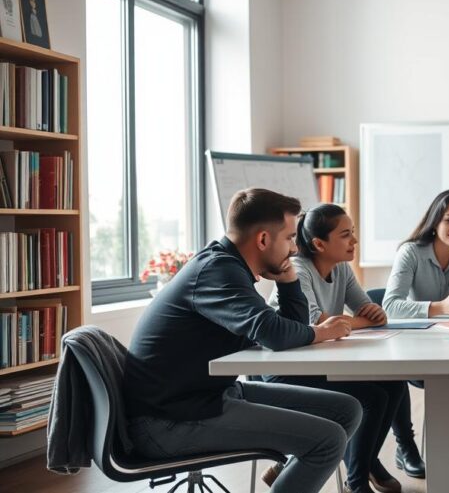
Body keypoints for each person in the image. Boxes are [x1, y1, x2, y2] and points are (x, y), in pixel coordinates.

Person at [123, 188, 362, 493]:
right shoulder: (217, 271)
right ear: (263, 239)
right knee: (328, 441)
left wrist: (289, 283)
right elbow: (273, 332)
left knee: (347, 410)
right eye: (289, 238)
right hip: (167, 421)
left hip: (207, 397)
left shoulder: (230, 267)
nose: (294, 249)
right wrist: (322, 332)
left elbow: (290, 328)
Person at [265, 203, 405, 493]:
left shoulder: (341, 267)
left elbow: (365, 309)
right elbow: (316, 323)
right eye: (346, 235)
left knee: (393, 383)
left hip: (319, 362)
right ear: (319, 243)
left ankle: (365, 462)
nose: (354, 241)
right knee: (372, 398)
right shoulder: (299, 269)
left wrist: (365, 316)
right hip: (284, 371)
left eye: (352, 233)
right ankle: (357, 480)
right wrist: (358, 321)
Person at [381, 190, 449, 478]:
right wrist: (441, 307)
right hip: (415, 348)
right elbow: (390, 305)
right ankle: (406, 447)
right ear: (434, 221)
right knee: (393, 377)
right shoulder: (411, 252)